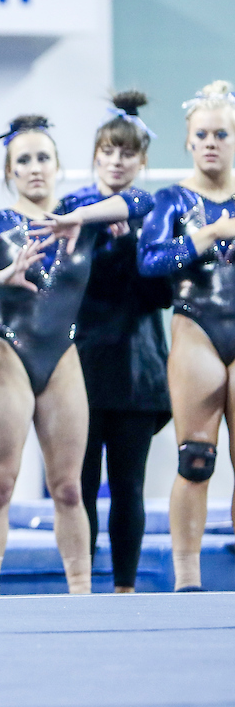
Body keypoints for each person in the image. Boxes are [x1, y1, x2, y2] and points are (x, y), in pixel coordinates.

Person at [0, 114, 152, 596]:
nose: (35, 169)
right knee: (2, 484)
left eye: (43, 159)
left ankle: (81, 595)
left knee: (70, 488)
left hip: (62, 355)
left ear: (58, 166)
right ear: (9, 172)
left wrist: (82, 217)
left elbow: (141, 201)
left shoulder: (80, 213)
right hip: (8, 350)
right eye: (23, 161)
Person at [67, 92, 171, 594]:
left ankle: (125, 586)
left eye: (127, 154)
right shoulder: (74, 211)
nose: (116, 161)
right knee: (79, 486)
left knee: (128, 486)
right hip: (82, 367)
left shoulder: (157, 215)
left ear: (142, 161)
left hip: (137, 369)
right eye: (108, 152)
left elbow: (162, 294)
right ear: (95, 156)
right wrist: (97, 237)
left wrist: (131, 241)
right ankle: (82, 583)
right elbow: (69, 287)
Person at [138, 80, 235, 592]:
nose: (212, 142)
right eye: (202, 135)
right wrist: (206, 235)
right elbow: (149, 261)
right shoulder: (172, 199)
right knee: (195, 459)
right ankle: (187, 578)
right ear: (189, 141)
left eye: (222, 133)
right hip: (197, 323)